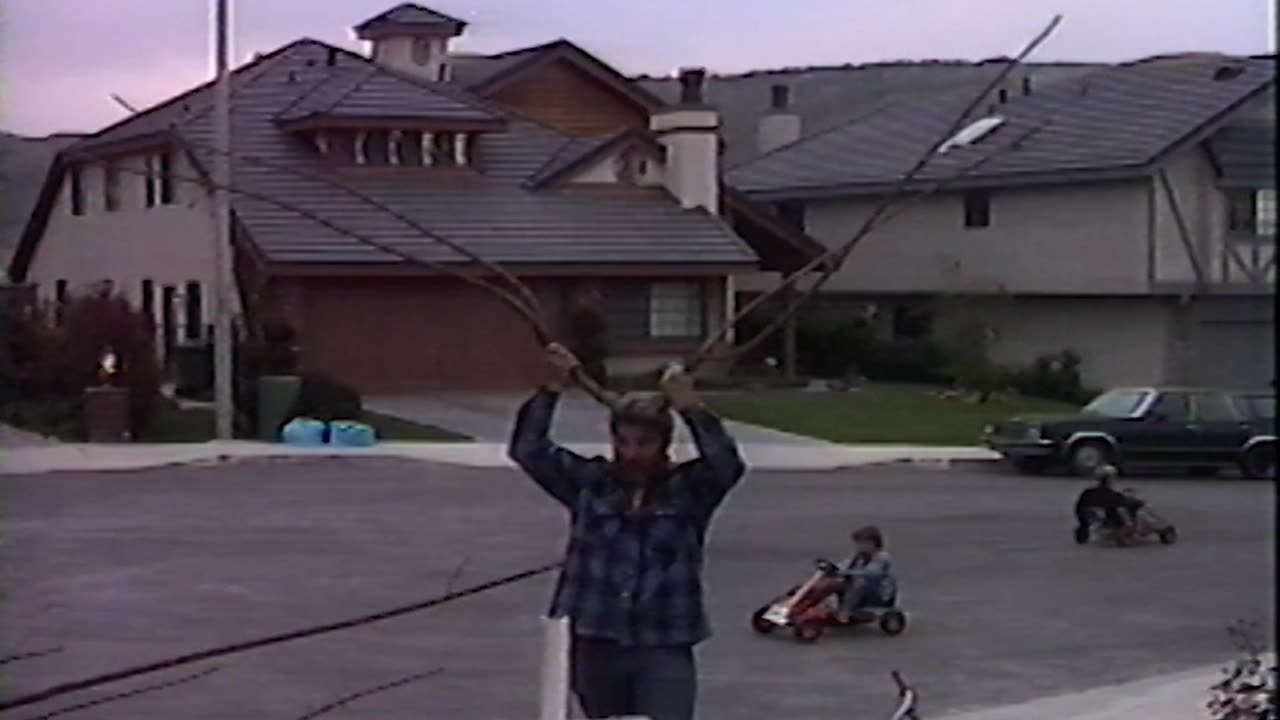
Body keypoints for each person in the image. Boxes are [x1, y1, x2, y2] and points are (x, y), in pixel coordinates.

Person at [508, 343, 747, 720]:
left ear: (664, 445)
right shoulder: (590, 483)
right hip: (594, 640)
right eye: (623, 442)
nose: (631, 453)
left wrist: (690, 407)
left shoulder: (688, 492)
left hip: (664, 643)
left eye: (643, 444)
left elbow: (726, 465)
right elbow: (528, 449)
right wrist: (551, 387)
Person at [833, 525, 896, 624]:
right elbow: (846, 564)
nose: (859, 547)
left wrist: (849, 573)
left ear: (873, 543)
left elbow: (871, 572)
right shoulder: (860, 556)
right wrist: (836, 569)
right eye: (858, 544)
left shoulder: (881, 558)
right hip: (866, 588)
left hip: (879, 592)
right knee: (834, 583)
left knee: (858, 583)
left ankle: (845, 613)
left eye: (862, 543)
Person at [1073, 465, 1144, 535]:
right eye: (1114, 477)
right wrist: (1138, 502)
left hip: (1092, 523)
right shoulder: (1111, 495)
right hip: (1110, 525)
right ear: (1109, 479)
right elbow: (1123, 504)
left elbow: (1079, 509)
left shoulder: (1087, 493)